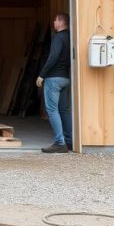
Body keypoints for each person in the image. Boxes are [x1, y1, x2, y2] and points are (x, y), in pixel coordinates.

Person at [36, 13, 72, 153]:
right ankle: (69, 141)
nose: (54, 22)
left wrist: (42, 75)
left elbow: (53, 57)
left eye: (55, 20)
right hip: (65, 79)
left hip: (54, 79)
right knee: (64, 110)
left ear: (61, 22)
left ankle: (59, 142)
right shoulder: (71, 37)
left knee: (52, 110)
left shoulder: (58, 37)